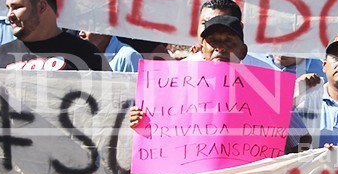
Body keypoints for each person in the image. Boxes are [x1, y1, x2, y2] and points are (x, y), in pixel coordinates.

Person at [130, 15, 309, 151]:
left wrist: (276, 128)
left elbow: (302, 142)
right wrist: (142, 124)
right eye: (213, 41)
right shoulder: (175, 88)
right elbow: (160, 145)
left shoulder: (267, 89)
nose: (220, 47)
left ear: (243, 51)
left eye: (229, 41)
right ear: (202, 49)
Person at [0, 0, 104, 70]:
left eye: (17, 7)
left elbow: (110, 98)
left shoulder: (86, 54)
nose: (9, 15)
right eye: (8, 8)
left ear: (42, 6)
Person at [184, 0, 272, 68]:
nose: (220, 47)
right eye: (205, 23)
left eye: (228, 40)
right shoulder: (180, 74)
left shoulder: (268, 74)